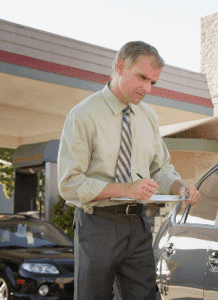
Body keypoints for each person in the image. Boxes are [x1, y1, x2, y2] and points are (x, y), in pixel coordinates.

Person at [57, 41, 201, 300]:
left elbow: (160, 167)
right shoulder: (83, 115)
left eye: (152, 83)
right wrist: (125, 189)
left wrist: (180, 188)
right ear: (120, 66)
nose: (146, 88)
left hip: (138, 224)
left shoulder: (148, 117)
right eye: (142, 77)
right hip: (97, 225)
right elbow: (69, 183)